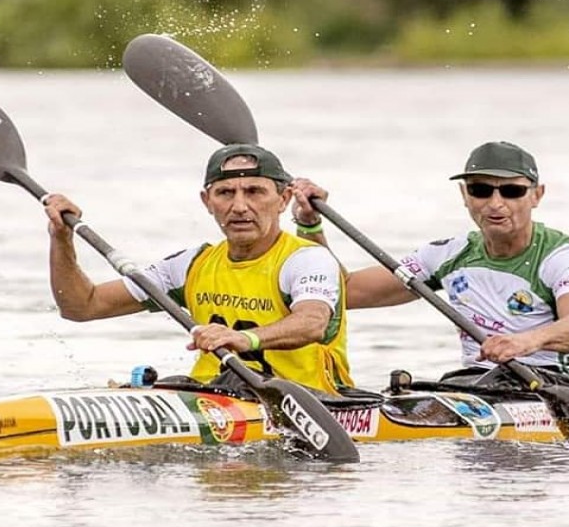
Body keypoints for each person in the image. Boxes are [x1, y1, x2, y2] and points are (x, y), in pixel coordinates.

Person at [43, 144, 354, 395]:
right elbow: (81, 306)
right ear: (207, 201)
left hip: (305, 400)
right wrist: (61, 238)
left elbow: (311, 322)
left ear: (283, 199)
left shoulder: (306, 258)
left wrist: (246, 339)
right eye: (225, 193)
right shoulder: (191, 264)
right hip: (211, 395)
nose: (240, 206)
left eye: (255, 192)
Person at [291, 141, 569, 384]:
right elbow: (342, 291)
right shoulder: (447, 255)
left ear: (536, 195)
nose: (495, 204)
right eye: (481, 190)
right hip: (480, 384)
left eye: (511, 191)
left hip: (565, 384)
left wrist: (524, 343)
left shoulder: (565, 257)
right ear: (464, 195)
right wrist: (309, 226)